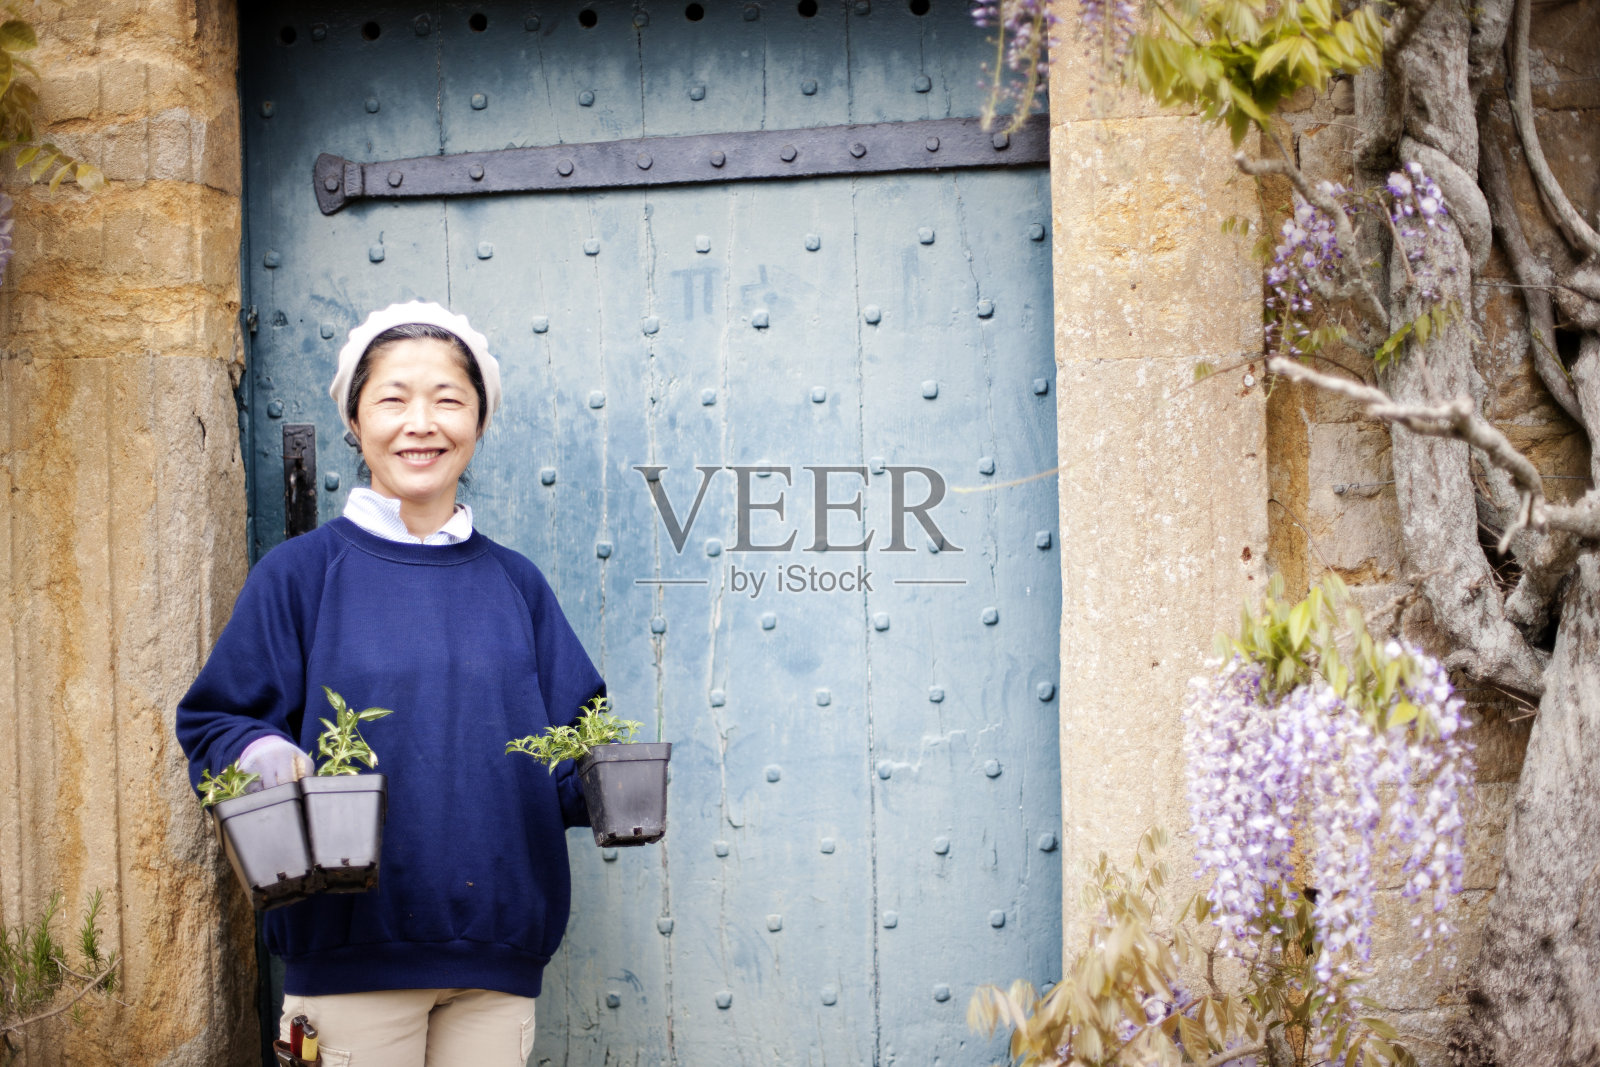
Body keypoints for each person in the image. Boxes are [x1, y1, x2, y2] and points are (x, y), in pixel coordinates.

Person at [176, 301, 605, 1065]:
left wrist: (604, 776)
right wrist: (258, 752)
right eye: (393, 397)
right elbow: (216, 720)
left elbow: (573, 745)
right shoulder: (301, 575)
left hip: (495, 964)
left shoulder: (516, 583)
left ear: (479, 421)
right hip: (348, 960)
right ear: (354, 419)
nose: (422, 421)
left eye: (448, 398)